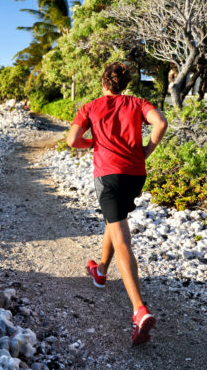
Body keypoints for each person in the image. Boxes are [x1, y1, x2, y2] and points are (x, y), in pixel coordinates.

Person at [67, 62, 168, 345]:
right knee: (114, 220)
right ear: (124, 84)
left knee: (121, 235)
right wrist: (146, 149)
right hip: (135, 174)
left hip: (108, 175)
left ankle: (139, 310)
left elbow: (72, 140)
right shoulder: (137, 103)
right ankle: (100, 271)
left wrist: (95, 143)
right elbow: (160, 123)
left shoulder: (90, 107)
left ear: (103, 82)